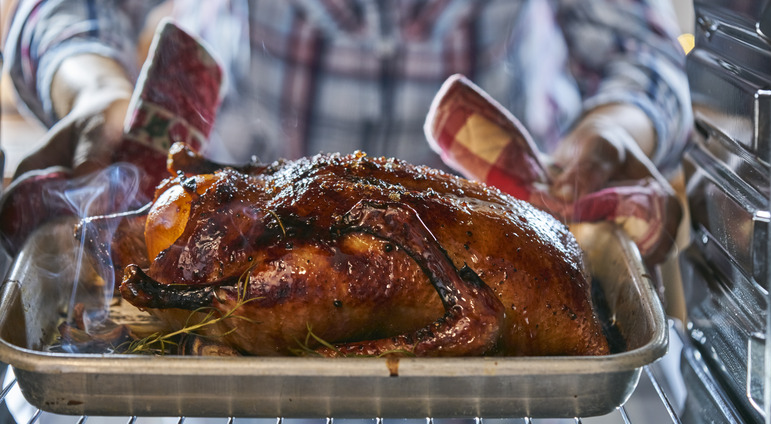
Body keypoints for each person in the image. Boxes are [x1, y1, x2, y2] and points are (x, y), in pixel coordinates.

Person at [1, 0, 692, 262]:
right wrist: (96, 89)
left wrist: (611, 128)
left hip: (504, 269)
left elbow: (641, 51)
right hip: (235, 272)